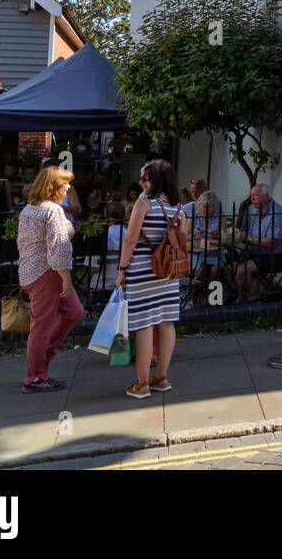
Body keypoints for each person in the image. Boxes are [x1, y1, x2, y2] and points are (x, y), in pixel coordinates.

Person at [117, 159, 187, 399]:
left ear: (154, 180)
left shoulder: (144, 202)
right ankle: (162, 378)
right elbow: (181, 240)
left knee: (144, 324)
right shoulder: (180, 207)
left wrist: (122, 268)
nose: (140, 182)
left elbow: (130, 239)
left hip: (143, 270)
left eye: (144, 178)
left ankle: (142, 383)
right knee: (167, 322)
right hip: (168, 271)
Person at [17, 166, 84, 394]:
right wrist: (65, 277)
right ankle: (34, 376)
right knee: (42, 326)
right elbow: (59, 246)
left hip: (33, 272)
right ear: (54, 186)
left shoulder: (29, 209)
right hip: (48, 274)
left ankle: (42, 364)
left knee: (73, 312)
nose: (68, 188)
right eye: (65, 183)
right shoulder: (53, 210)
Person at [234, 183, 282, 303]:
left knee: (241, 270)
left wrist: (249, 238)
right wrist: (240, 236)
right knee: (228, 269)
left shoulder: (277, 213)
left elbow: (272, 242)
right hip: (256, 254)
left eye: (255, 196)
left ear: (267, 197)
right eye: (251, 195)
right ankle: (255, 294)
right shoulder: (258, 212)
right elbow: (254, 236)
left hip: (273, 257)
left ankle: (244, 300)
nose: (251, 199)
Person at [191, 190, 226, 299]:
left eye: (210, 207)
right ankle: (195, 297)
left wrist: (217, 234)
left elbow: (224, 238)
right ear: (199, 205)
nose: (207, 209)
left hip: (216, 252)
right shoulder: (194, 215)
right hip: (197, 253)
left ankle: (213, 299)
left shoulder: (220, 215)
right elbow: (186, 236)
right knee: (201, 270)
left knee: (216, 270)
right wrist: (195, 233)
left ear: (215, 206)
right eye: (204, 206)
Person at [42, 157, 82, 223]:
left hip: (64, 224)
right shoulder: (39, 188)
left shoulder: (68, 188)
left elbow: (77, 209)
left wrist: (57, 207)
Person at [102, 201, 125, 289]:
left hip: (103, 282)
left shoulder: (106, 233)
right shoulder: (126, 232)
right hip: (120, 281)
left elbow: (93, 269)